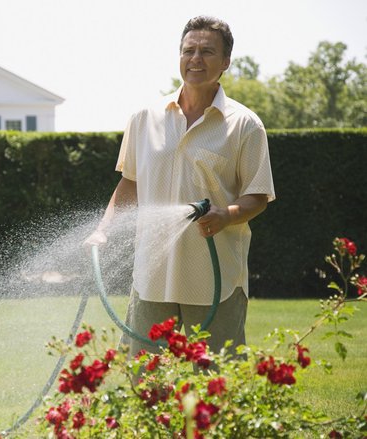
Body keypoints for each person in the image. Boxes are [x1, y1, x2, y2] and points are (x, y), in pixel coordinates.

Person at [85, 16, 275, 357]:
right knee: (145, 383)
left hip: (217, 281)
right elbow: (129, 184)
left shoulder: (245, 125)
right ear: (179, 56)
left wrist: (226, 215)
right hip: (153, 276)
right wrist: (103, 230)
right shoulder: (145, 117)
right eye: (189, 50)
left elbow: (257, 197)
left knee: (216, 387)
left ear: (226, 62)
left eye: (206, 51)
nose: (196, 58)